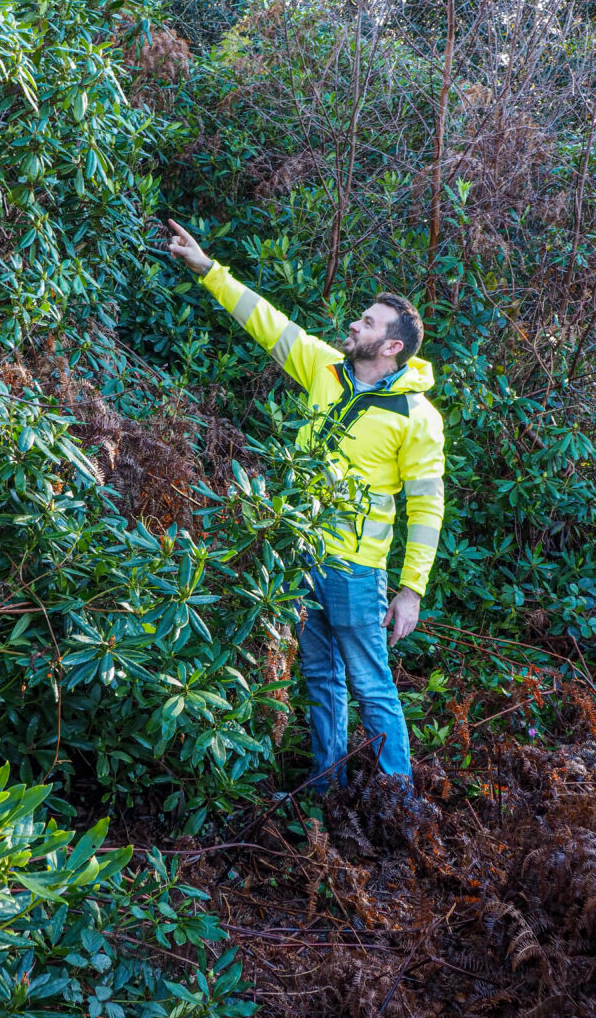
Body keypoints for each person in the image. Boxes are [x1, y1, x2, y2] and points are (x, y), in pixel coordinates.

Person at [168, 219, 445, 791]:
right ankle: (325, 793)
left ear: (391, 346)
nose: (354, 322)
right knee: (321, 678)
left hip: (355, 569)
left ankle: (401, 806)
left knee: (371, 686)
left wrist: (411, 589)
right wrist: (207, 269)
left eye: (367, 322)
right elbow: (266, 321)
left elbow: (426, 509)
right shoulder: (323, 368)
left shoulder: (418, 417)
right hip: (300, 555)